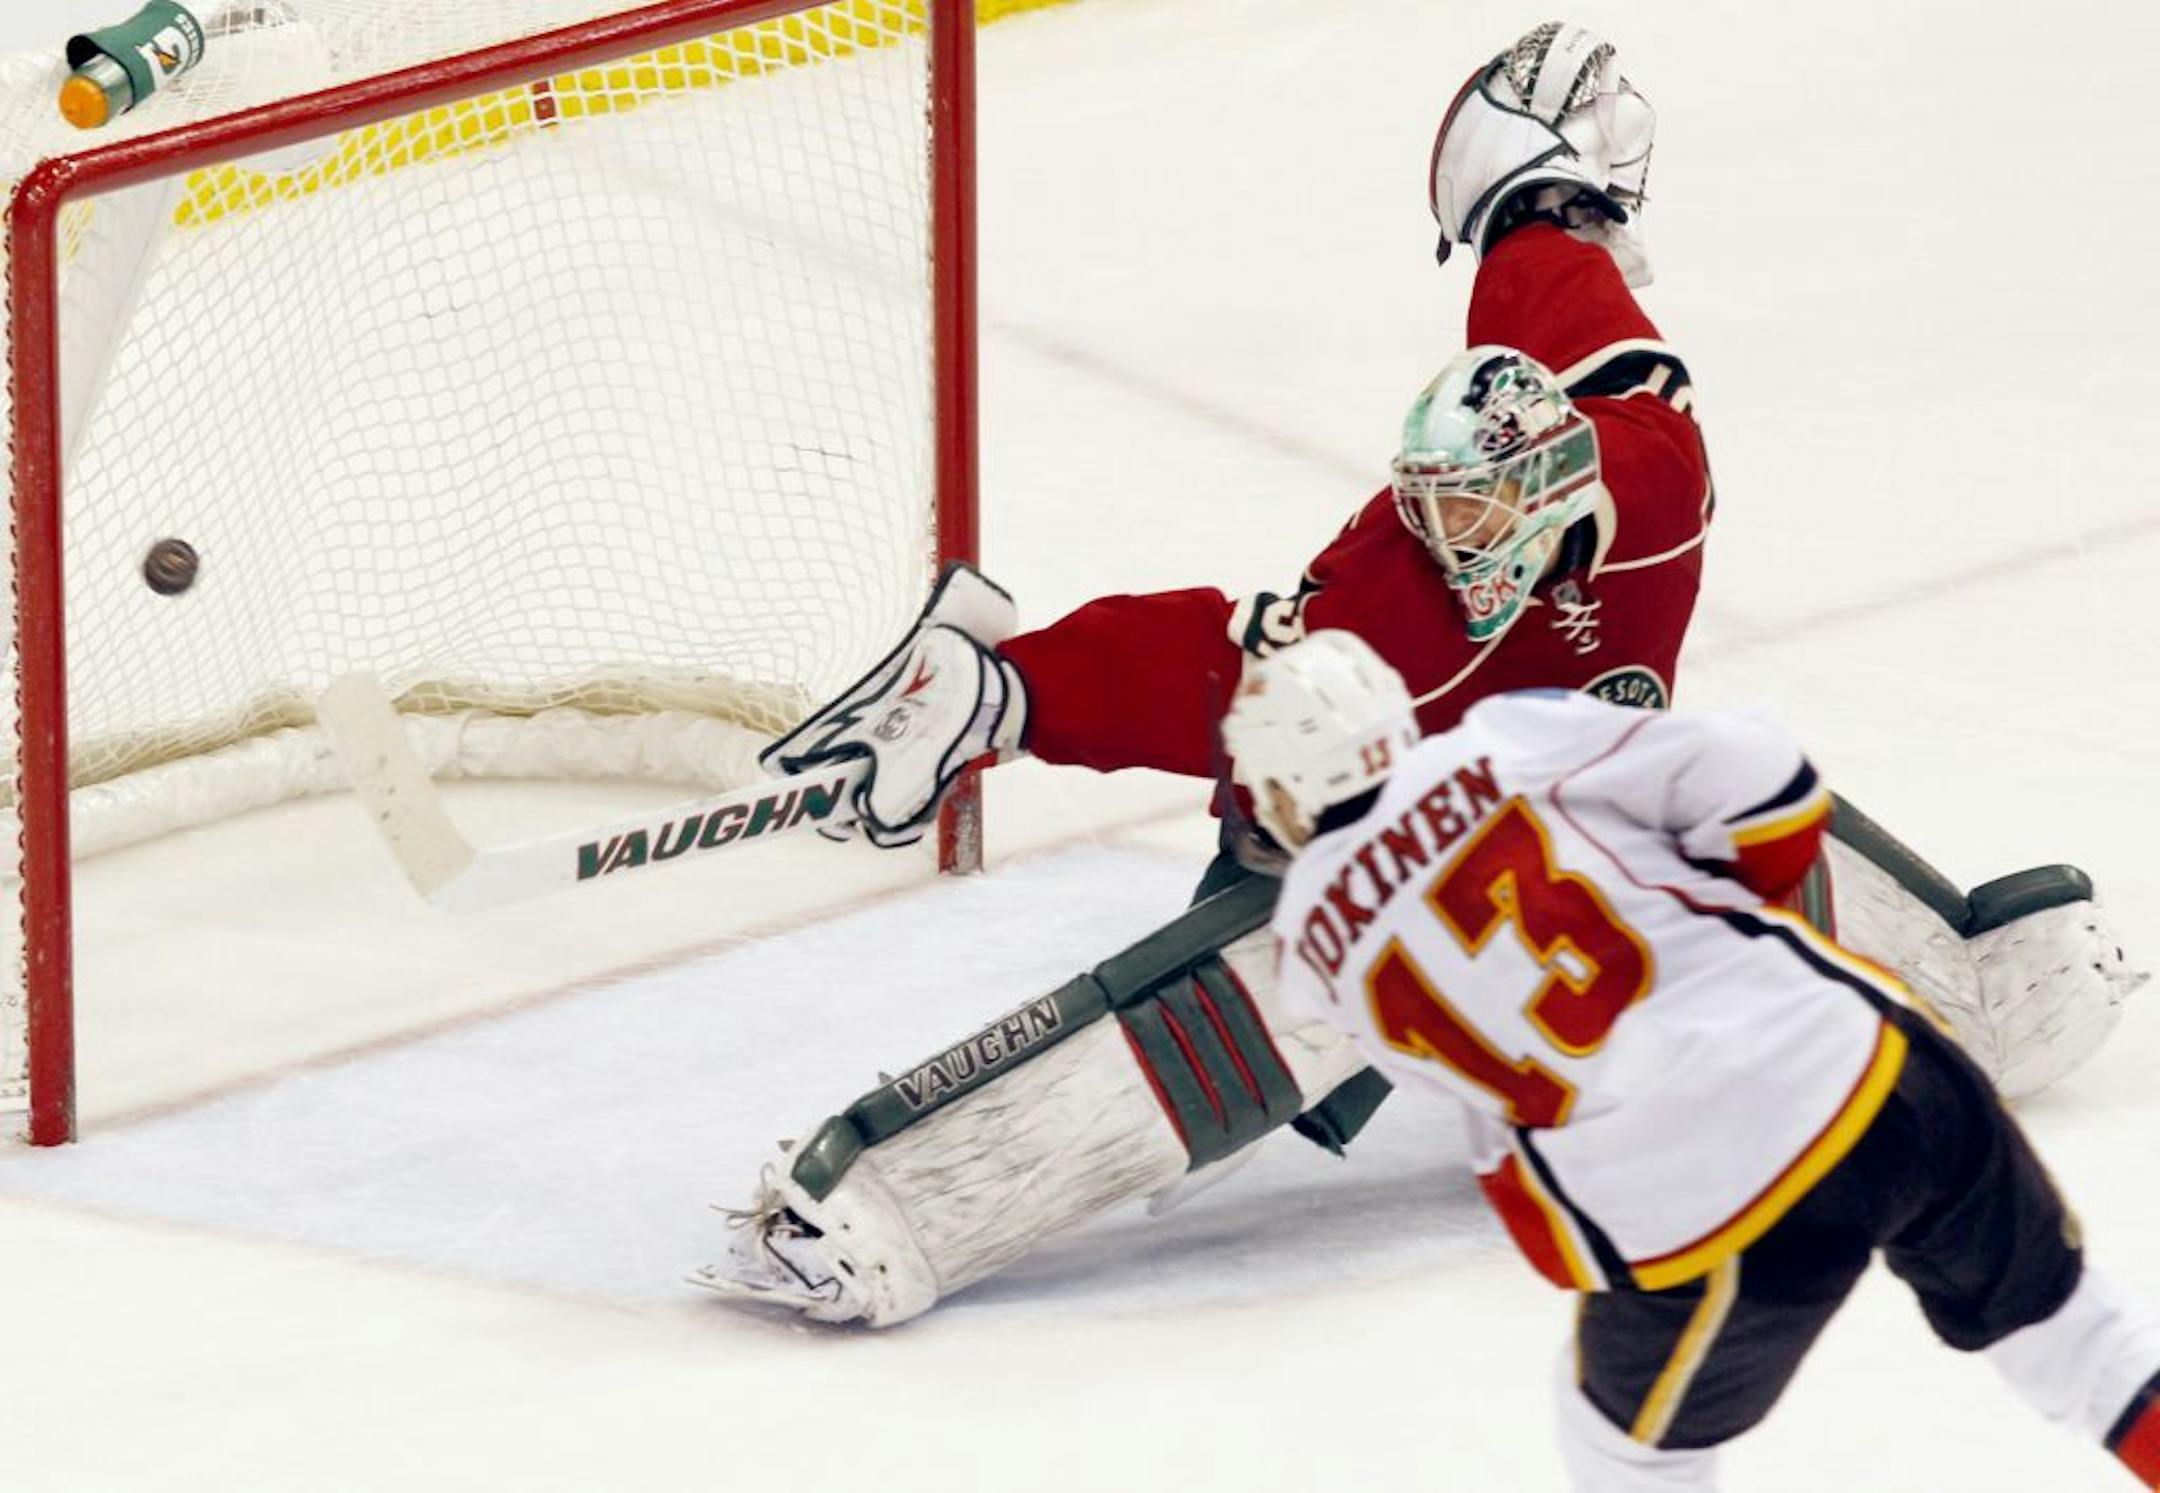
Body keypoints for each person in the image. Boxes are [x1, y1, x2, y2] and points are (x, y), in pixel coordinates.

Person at [688, 22, 2139, 1329]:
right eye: (1434, 502)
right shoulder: (1386, 594)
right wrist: (1013, 695)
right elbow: (1211, 667)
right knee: (1286, 997)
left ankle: (1963, 991)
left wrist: (1534, 213)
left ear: (1560, 475)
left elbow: (1601, 367)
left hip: (1585, 907)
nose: (1461, 535)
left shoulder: (1648, 489)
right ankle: (892, 1201)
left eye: (1489, 504)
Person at [1216, 631, 2160, 1491]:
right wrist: (1715, 912)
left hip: (1715, 1206)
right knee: (2074, 1335)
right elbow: (1770, 781)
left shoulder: (1314, 955)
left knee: (1619, 1449)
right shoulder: (1502, 741)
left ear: (1285, 787)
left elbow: (1507, 1115)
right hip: (1869, 1065)